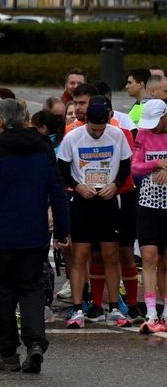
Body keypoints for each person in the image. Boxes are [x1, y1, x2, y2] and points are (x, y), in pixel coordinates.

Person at [0, 98, 70, 373]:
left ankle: (7, 352)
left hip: (3, 231)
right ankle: (35, 343)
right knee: (31, 289)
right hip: (35, 231)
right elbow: (57, 190)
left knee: (3, 293)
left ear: (1, 121)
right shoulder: (43, 147)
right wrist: (63, 230)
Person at [57, 98, 133, 327]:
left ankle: (114, 308)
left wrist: (116, 184)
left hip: (108, 199)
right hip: (83, 199)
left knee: (111, 254)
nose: (98, 133)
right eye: (94, 129)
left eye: (101, 129)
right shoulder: (73, 137)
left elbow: (126, 164)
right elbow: (62, 168)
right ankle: (79, 308)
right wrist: (77, 186)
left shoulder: (116, 134)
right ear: (86, 122)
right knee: (81, 255)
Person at [130, 99, 167, 333]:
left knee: (166, 262)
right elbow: (135, 167)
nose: (152, 127)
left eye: (156, 123)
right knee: (149, 256)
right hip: (149, 201)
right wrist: (156, 163)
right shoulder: (143, 134)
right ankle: (152, 313)